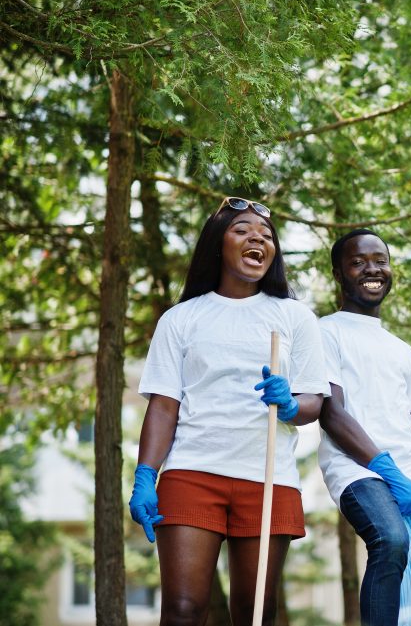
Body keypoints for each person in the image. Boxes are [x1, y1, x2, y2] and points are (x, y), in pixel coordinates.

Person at [128, 197, 328, 623]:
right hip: (193, 472)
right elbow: (164, 407)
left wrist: (291, 405)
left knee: (255, 612)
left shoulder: (294, 317)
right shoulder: (181, 319)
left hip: (268, 478)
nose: (257, 238)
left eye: (267, 235)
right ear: (218, 244)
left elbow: (315, 401)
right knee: (183, 609)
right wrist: (146, 475)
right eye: (242, 230)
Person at [317, 228, 411, 626]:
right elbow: (331, 413)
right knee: (391, 541)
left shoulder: (402, 350)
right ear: (338, 273)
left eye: (380, 260)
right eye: (358, 262)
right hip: (357, 471)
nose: (372, 269)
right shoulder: (326, 332)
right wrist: (389, 473)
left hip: (410, 481)